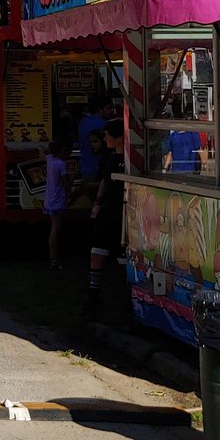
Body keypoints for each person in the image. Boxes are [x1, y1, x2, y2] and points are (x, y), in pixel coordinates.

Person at [87, 120, 126, 312]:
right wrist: (98, 202)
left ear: (118, 137)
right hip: (108, 210)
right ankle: (94, 294)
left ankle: (126, 293)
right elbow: (104, 181)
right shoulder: (108, 159)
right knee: (97, 250)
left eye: (107, 135)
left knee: (122, 255)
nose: (105, 139)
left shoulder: (130, 160)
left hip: (123, 212)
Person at [44, 138, 72, 269]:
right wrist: (72, 176)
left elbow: (42, 155)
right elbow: (67, 183)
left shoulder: (50, 159)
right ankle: (54, 259)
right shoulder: (61, 164)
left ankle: (54, 257)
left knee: (55, 228)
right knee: (55, 229)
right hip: (58, 201)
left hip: (49, 200)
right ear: (62, 151)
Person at [77, 98, 108, 191]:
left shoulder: (83, 122)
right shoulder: (103, 124)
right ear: (100, 110)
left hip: (85, 168)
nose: (112, 111)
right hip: (97, 169)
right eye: (109, 108)